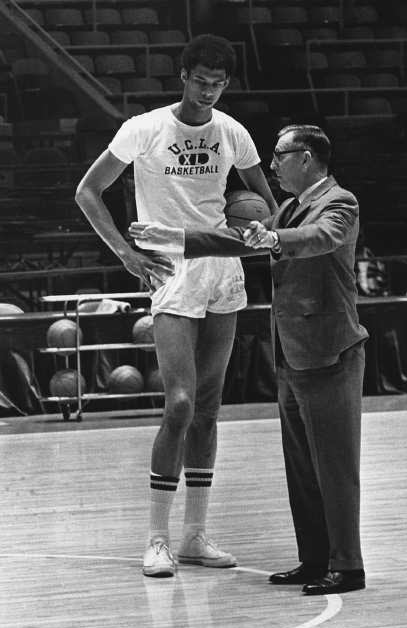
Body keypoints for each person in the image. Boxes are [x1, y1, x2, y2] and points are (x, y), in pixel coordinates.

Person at [129, 124, 369, 595]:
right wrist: (176, 238)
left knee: (336, 467)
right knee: (302, 469)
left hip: (330, 351)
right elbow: (239, 241)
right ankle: (314, 559)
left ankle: (348, 566)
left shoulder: (340, 203)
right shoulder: (288, 208)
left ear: (306, 157)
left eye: (279, 155)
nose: (271, 165)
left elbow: (319, 237)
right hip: (292, 352)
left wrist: (275, 239)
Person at [75, 33, 277, 578]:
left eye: (218, 84)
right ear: (183, 76)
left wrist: (257, 229)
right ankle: (156, 538)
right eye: (201, 81)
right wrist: (125, 254)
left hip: (223, 270)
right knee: (180, 405)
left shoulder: (232, 132)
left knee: (208, 408)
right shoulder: (143, 128)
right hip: (171, 270)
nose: (208, 91)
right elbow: (87, 191)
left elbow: (269, 206)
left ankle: (194, 535)